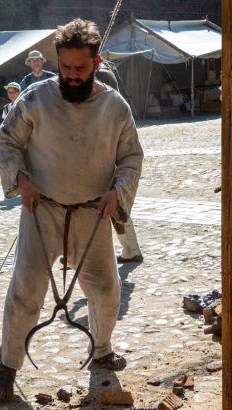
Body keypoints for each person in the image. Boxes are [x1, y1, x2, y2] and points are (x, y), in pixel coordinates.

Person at [0, 18, 143, 401]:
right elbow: (6, 141)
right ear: (57, 62)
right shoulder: (36, 99)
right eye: (66, 68)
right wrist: (20, 180)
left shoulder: (115, 107)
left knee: (107, 290)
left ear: (96, 62)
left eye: (80, 68)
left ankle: (102, 351)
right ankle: (8, 366)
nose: (72, 76)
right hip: (42, 209)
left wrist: (119, 192)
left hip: (94, 213)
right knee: (26, 288)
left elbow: (130, 158)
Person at [94, 62, 143, 264]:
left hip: (109, 162)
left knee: (116, 207)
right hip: (104, 160)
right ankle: (130, 248)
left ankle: (131, 249)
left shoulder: (110, 101)